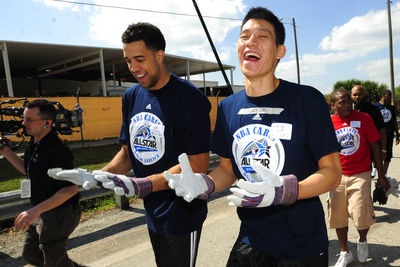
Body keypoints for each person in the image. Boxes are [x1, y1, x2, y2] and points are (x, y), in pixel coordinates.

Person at [164, 7, 342, 267]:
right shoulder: (228, 107)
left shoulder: (307, 100)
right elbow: (227, 169)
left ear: (280, 51)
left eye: (262, 36)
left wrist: (284, 192)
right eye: (244, 36)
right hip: (251, 239)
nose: (251, 42)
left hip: (302, 245)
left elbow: (332, 172)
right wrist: (204, 184)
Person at [49, 22, 211, 267]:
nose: (134, 68)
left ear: (159, 55)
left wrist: (140, 185)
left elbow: (197, 165)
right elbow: (128, 153)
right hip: (152, 210)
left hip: (181, 214)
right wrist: (97, 175)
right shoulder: (131, 96)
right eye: (128, 61)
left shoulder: (189, 98)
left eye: (139, 59)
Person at [0, 99, 81, 267]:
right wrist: (5, 151)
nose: (24, 123)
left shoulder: (57, 149)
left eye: (29, 119)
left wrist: (34, 211)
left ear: (46, 123)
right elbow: (28, 169)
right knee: (30, 254)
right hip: (41, 210)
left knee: (52, 258)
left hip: (60, 212)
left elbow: (70, 189)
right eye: (24, 118)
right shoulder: (35, 141)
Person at [329, 88, 390, 266]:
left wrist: (381, 175)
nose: (349, 105)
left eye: (349, 101)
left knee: (361, 213)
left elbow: (374, 147)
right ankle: (345, 252)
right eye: (343, 102)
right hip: (337, 176)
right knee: (338, 215)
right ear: (333, 105)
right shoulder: (327, 123)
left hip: (361, 173)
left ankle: (362, 241)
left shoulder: (364, 118)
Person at [351, 84, 386, 176]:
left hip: (371, 148)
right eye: (355, 95)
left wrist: (383, 149)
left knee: (366, 173)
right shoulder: (347, 110)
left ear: (364, 95)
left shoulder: (373, 110)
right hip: (352, 148)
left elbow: (382, 130)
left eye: (360, 94)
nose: (357, 97)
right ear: (351, 95)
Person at [374, 89, 400, 175]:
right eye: (390, 95)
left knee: (388, 156)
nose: (391, 98)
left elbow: (394, 121)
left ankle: (383, 175)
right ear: (384, 95)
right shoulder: (375, 107)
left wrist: (397, 134)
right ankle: (377, 170)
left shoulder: (391, 108)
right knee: (376, 155)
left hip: (389, 135)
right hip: (377, 136)